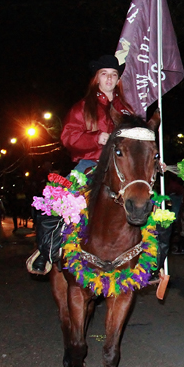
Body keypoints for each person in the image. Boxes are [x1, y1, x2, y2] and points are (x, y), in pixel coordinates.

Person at [27, 54, 133, 275]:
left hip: (122, 166)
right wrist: (96, 138)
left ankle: (152, 260)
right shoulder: (83, 107)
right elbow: (68, 137)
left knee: (152, 203)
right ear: (96, 78)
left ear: (118, 79)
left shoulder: (127, 110)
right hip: (89, 165)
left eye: (113, 75)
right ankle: (47, 251)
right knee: (56, 204)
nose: (109, 79)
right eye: (104, 74)